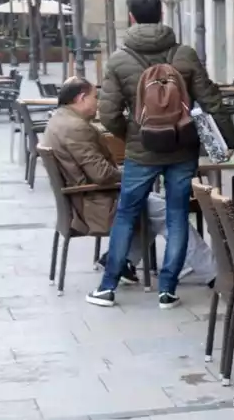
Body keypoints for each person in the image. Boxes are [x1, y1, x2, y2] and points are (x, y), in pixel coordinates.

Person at [89, 0, 234, 309]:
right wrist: (229, 137)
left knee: (127, 215)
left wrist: (133, 135)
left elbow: (108, 114)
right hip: (182, 148)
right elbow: (210, 98)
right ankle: (167, 291)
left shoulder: (118, 60)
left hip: (141, 152)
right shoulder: (184, 54)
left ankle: (107, 287)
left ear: (131, 17)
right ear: (161, 14)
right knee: (177, 216)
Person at [42, 77, 216, 290]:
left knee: (154, 205)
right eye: (95, 98)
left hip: (84, 199)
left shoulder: (59, 120)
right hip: (95, 203)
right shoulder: (76, 128)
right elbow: (102, 175)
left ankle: (120, 260)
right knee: (168, 212)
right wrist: (141, 172)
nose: (97, 103)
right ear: (81, 98)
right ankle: (214, 273)